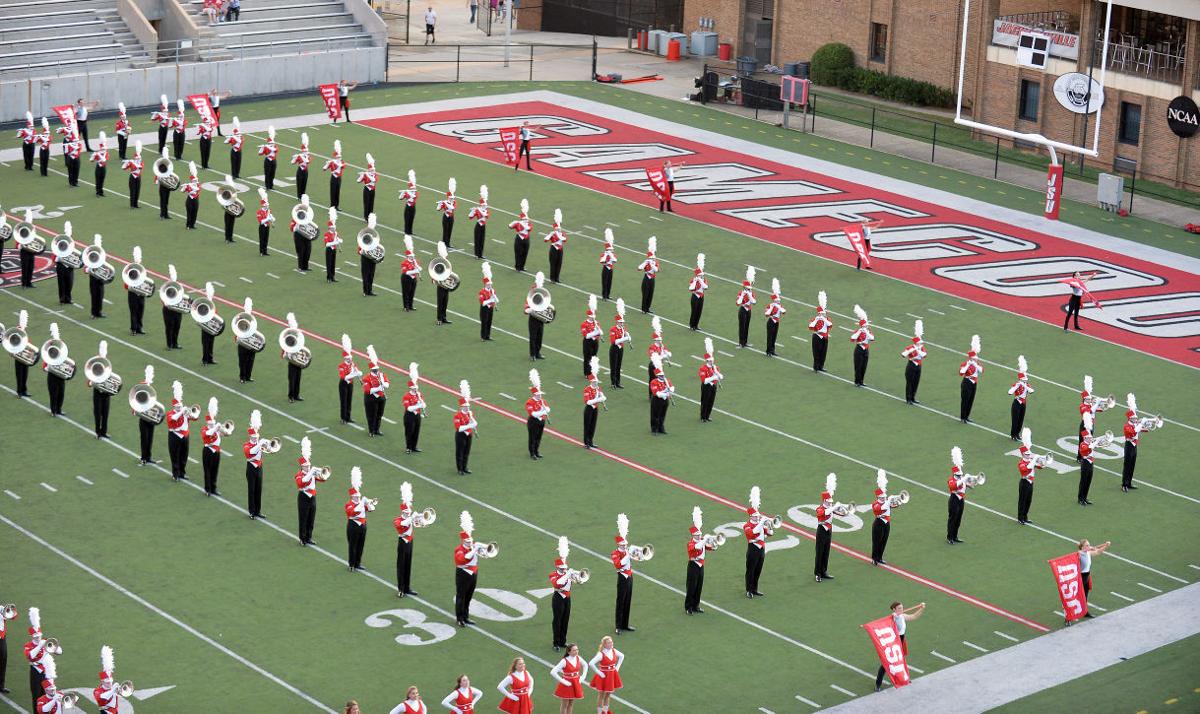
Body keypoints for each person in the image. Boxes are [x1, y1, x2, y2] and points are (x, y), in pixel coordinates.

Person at [874, 602, 925, 691]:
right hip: (894, 642)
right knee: (886, 664)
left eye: (902, 608)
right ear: (894, 609)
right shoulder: (893, 618)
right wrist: (895, 616)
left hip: (901, 640)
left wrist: (922, 608)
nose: (901, 609)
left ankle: (904, 678)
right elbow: (892, 621)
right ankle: (877, 684)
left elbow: (914, 616)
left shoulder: (902, 616)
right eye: (899, 608)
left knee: (900, 660)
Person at [684, 506, 715, 614]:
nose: (699, 536)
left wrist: (713, 542)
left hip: (701, 565)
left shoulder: (701, 541)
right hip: (693, 565)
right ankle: (688, 607)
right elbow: (697, 547)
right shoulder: (691, 543)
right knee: (691, 586)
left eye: (700, 535)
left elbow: (711, 548)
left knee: (699, 586)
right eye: (698, 535)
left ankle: (696, 605)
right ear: (693, 535)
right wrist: (704, 539)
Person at [295, 437, 325, 546]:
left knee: (311, 518)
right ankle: (302, 539)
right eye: (306, 466)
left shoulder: (312, 473)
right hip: (303, 497)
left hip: (312, 497)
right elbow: (302, 482)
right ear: (302, 466)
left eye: (309, 466)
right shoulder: (299, 475)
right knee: (303, 518)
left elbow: (323, 479)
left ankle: (309, 537)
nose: (308, 467)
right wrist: (311, 472)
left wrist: (322, 473)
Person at [165, 380, 198, 481]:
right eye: (178, 406)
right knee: (175, 455)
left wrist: (189, 413)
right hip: (174, 436)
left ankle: (182, 473)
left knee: (184, 455)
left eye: (180, 406)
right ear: (174, 406)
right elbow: (173, 419)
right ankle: (175, 474)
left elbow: (195, 418)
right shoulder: (171, 413)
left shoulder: (184, 412)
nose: (180, 407)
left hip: (185, 436)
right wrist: (182, 412)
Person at [743, 487, 772, 598]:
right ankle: (748, 590)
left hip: (761, 548)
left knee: (758, 569)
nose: (757, 518)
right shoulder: (747, 525)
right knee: (750, 570)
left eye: (758, 516)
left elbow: (770, 533)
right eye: (755, 517)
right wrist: (762, 522)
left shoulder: (760, 523)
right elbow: (752, 533)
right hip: (753, 549)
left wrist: (769, 525)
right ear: (751, 516)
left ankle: (755, 588)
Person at [454, 511, 481, 624]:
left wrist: (481, 548)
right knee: (461, 596)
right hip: (463, 574)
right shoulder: (459, 549)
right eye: (468, 541)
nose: (470, 543)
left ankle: (466, 616)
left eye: (471, 541)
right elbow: (463, 559)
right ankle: (460, 618)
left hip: (473, 573)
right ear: (463, 541)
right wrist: (474, 549)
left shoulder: (472, 547)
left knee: (469, 596)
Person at [1122, 393, 1153, 493]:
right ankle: (1124, 484)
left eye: (1136, 418)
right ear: (1130, 419)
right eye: (1134, 419)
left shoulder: (1136, 424)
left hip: (1135, 445)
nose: (1136, 419)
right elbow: (1133, 432)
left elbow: (1145, 430)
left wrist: (1149, 424)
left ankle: (1129, 482)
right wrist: (1141, 423)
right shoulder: (1127, 426)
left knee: (1132, 464)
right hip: (1129, 445)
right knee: (1127, 465)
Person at [345, 467, 374, 570]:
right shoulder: (349, 504)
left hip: (362, 525)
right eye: (356, 497)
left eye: (359, 496)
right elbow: (353, 512)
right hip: (353, 526)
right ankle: (351, 564)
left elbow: (371, 509)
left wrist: (368, 503)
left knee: (360, 545)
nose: (358, 498)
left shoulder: (361, 503)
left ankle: (357, 563)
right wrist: (362, 502)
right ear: (352, 497)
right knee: (352, 546)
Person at [394, 483, 421, 596]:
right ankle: (401, 589)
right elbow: (403, 525)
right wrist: (412, 517)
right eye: (406, 513)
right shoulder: (398, 520)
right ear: (403, 512)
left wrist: (420, 519)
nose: (407, 514)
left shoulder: (409, 518)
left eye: (408, 512)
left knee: (408, 565)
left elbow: (418, 523)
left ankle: (407, 588)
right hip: (403, 543)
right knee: (401, 566)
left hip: (410, 542)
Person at [549, 537, 576, 651]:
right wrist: (567, 574)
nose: (565, 570)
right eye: (562, 568)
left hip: (567, 598)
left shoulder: (567, 573)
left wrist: (576, 577)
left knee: (565, 619)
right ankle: (556, 642)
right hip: (558, 598)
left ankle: (562, 641)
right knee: (557, 620)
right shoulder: (553, 575)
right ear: (557, 567)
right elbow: (558, 584)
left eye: (565, 568)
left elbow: (576, 581)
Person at [610, 515, 636, 632]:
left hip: (630, 576)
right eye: (623, 545)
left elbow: (636, 557)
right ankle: (618, 626)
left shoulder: (627, 551)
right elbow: (618, 564)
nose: (625, 546)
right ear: (618, 545)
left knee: (628, 600)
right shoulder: (615, 553)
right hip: (622, 577)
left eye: (625, 544)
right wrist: (628, 555)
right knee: (620, 601)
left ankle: (625, 624)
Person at [1016, 428, 1045, 524]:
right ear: (1023, 454)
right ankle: (1020, 518)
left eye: (1029, 454)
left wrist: (1041, 463)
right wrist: (1035, 458)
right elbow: (1027, 469)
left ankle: (1025, 516)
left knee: (1028, 500)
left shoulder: (1029, 461)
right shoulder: (1021, 463)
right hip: (1024, 482)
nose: (1029, 455)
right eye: (1027, 454)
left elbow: (1039, 467)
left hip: (1030, 482)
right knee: (1022, 501)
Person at [870, 470, 899, 566]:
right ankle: (874, 558)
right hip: (878, 523)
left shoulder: (886, 502)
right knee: (876, 541)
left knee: (884, 540)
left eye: (884, 497)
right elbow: (881, 509)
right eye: (882, 497)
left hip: (887, 523)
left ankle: (880, 557)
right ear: (878, 497)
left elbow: (893, 506)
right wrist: (889, 500)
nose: (884, 498)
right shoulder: (875, 504)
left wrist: (897, 501)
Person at [587, 636, 623, 713]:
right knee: (601, 695)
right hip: (604, 676)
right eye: (609, 642)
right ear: (604, 644)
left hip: (612, 675)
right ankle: (599, 712)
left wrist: (617, 668)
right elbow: (591, 663)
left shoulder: (613, 651)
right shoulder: (601, 654)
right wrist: (599, 673)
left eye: (611, 642)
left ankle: (605, 711)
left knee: (608, 695)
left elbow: (622, 656)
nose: (611, 643)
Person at [1077, 539, 1111, 618]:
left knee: (1085, 595)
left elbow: (1098, 552)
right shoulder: (1079, 554)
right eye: (1087, 545)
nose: (1089, 546)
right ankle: (1067, 617)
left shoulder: (1088, 553)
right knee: (1075, 597)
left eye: (1089, 545)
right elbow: (1077, 554)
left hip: (1087, 576)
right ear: (1082, 547)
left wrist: (1106, 546)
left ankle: (1085, 612)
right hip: (1080, 577)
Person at [243, 410, 267, 520]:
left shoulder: (259, 443)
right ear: (250, 436)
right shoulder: (247, 445)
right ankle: (252, 512)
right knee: (251, 490)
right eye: (254, 437)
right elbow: (250, 453)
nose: (255, 438)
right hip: (251, 468)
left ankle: (258, 511)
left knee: (259, 489)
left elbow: (268, 450)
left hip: (259, 467)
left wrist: (267, 445)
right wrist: (260, 444)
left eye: (256, 436)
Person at [42, 323, 70, 417]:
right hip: (52, 373)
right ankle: (53, 410)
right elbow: (45, 359)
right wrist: (46, 367)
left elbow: (66, 357)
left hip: (61, 372)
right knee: (53, 393)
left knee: (61, 393)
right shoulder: (49, 345)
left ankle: (59, 409)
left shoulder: (62, 345)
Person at [362, 346, 389, 437]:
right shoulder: (366, 378)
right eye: (375, 369)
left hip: (381, 397)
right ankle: (371, 431)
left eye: (377, 369)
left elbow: (387, 384)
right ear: (372, 369)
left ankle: (377, 429)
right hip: (371, 399)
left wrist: (383, 384)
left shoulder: (381, 375)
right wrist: (379, 388)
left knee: (379, 414)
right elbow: (368, 390)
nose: (377, 370)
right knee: (371, 415)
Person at [552, 644, 588, 713]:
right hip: (567, 684)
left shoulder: (578, 658)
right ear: (569, 652)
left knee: (571, 703)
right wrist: (563, 681)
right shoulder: (564, 661)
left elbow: (585, 665)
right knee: (564, 704)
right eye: (574, 650)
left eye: (577, 650)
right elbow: (553, 672)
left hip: (575, 682)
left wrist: (583, 676)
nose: (576, 651)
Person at [814, 474, 837, 582]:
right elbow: (823, 513)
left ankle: (824, 571)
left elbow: (840, 513)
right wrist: (834, 507)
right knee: (819, 552)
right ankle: (817, 573)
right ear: (824, 501)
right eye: (828, 502)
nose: (830, 503)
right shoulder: (820, 508)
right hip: (822, 530)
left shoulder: (831, 508)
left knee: (826, 551)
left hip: (829, 530)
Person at [946, 447, 971, 544]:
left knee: (958, 518)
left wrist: (975, 480)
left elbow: (968, 486)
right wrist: (964, 478)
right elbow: (954, 486)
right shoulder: (951, 480)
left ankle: (955, 536)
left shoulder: (962, 478)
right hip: (954, 500)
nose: (960, 476)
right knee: (952, 518)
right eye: (958, 475)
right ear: (955, 474)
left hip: (961, 500)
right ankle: (950, 537)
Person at [135, 366, 159, 465]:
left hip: (151, 416)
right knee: (144, 438)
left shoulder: (151, 388)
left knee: (150, 437)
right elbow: (136, 399)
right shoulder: (142, 387)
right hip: (144, 417)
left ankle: (148, 457)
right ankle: (143, 457)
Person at [453, 381, 478, 475]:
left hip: (469, 434)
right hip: (461, 435)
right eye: (466, 407)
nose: (467, 408)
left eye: (468, 406)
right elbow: (459, 428)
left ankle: (465, 467)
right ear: (462, 407)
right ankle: (459, 469)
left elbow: (474, 423)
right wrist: (470, 425)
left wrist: (472, 421)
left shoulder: (470, 414)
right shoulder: (457, 416)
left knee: (467, 452)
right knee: (460, 452)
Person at [200, 397, 224, 496]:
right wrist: (215, 428)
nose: (211, 425)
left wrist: (222, 429)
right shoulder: (205, 429)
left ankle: (213, 488)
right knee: (208, 470)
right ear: (207, 423)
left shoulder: (215, 428)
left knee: (215, 470)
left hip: (217, 451)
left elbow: (224, 434)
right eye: (210, 423)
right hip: (208, 450)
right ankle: (207, 489)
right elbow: (208, 434)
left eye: (212, 423)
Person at [524, 272, 549, 360]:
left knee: (539, 336)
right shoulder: (532, 292)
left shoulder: (543, 291)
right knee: (533, 337)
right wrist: (530, 309)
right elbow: (526, 306)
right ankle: (532, 354)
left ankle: (537, 353)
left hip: (540, 317)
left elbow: (546, 302)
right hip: (533, 317)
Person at [958, 335, 983, 423]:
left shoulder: (977, 363)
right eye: (974, 358)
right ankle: (962, 417)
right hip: (967, 382)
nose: (976, 359)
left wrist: (975, 364)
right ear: (970, 358)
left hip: (974, 383)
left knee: (971, 400)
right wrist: (968, 364)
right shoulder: (965, 364)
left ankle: (967, 416)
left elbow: (981, 370)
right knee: (965, 400)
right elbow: (961, 372)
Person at [337, 335, 361, 424]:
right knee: (343, 401)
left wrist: (358, 373)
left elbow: (358, 371)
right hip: (343, 384)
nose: (350, 359)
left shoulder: (352, 364)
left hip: (350, 384)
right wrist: (354, 374)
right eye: (349, 358)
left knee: (349, 400)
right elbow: (343, 377)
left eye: (350, 358)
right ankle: (343, 418)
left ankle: (348, 417)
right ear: (345, 358)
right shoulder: (341, 366)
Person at [282, 313, 306, 403]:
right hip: (292, 360)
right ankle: (291, 396)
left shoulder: (299, 335)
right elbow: (285, 346)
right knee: (292, 379)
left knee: (298, 378)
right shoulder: (288, 336)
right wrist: (286, 353)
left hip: (298, 358)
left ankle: (296, 395)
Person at [697, 339, 723, 422]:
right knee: (705, 401)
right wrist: (713, 377)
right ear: (707, 360)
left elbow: (721, 377)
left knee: (711, 401)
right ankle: (702, 416)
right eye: (710, 361)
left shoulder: (715, 367)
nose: (712, 362)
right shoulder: (703, 368)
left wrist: (716, 373)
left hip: (713, 386)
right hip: (706, 386)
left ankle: (707, 416)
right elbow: (704, 380)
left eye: (712, 360)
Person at [900, 320, 925, 405]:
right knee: (910, 382)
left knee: (916, 382)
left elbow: (924, 355)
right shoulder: (910, 347)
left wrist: (918, 350)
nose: (921, 344)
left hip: (918, 365)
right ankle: (908, 399)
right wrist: (911, 350)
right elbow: (903, 355)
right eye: (919, 343)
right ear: (916, 343)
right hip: (911, 365)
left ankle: (913, 397)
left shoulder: (921, 348)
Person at [582, 358, 605, 449]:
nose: (596, 383)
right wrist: (597, 399)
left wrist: (602, 398)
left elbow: (603, 397)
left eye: (596, 382)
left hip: (595, 408)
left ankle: (591, 441)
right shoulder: (587, 389)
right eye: (594, 382)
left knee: (593, 425)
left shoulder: (598, 388)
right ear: (591, 381)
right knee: (587, 425)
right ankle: (586, 442)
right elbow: (587, 401)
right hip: (589, 409)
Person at [526, 371, 551, 454]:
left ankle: (536, 451)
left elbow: (548, 409)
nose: (540, 395)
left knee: (538, 437)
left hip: (541, 421)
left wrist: (545, 410)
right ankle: (532, 453)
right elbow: (533, 414)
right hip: (533, 422)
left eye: (540, 394)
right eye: (538, 394)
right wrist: (543, 411)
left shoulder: (542, 401)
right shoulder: (529, 402)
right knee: (532, 438)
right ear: (534, 394)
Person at [9, 310, 33, 398]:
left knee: (25, 374)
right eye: (25, 320)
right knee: (20, 375)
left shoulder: (24, 330)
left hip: (25, 356)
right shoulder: (17, 331)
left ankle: (24, 390)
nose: (26, 322)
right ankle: (19, 391)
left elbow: (27, 342)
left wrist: (30, 352)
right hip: (19, 357)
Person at [402, 364, 426, 453]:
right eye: (414, 388)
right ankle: (408, 447)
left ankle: (414, 446)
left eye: (416, 388)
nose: (416, 389)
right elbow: (409, 408)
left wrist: (422, 404)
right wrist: (419, 406)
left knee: (416, 431)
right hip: (409, 416)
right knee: (409, 432)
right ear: (411, 388)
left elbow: (424, 404)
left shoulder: (419, 395)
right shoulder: (406, 396)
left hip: (417, 415)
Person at [235, 297, 259, 383]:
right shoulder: (240, 317)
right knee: (242, 360)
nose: (249, 307)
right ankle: (242, 377)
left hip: (251, 342)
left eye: (250, 306)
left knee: (250, 359)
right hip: (242, 341)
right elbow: (236, 328)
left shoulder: (253, 318)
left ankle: (248, 376)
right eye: (248, 306)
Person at [93, 645, 123, 713]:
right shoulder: (97, 691)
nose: (110, 683)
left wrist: (120, 690)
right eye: (107, 682)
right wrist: (113, 690)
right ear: (102, 682)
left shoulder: (113, 687)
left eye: (110, 681)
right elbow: (102, 698)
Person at [52, 222, 76, 305]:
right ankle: (62, 299)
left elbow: (74, 254)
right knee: (61, 283)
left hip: (69, 266)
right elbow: (55, 252)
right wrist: (58, 258)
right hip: (61, 265)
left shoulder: (72, 242)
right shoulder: (60, 241)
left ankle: (68, 298)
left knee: (70, 283)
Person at [850, 304, 874, 386]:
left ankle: (861, 381)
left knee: (864, 366)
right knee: (858, 366)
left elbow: (872, 338)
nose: (867, 326)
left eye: (867, 325)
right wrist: (860, 331)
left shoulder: (868, 331)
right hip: (859, 349)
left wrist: (866, 332)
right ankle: (857, 381)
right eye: (865, 325)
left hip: (866, 349)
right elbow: (852, 338)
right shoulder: (858, 331)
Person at [161, 264, 184, 350]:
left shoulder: (179, 286)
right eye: (172, 274)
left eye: (174, 273)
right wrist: (166, 303)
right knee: (169, 327)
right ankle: (169, 344)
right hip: (168, 310)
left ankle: (175, 343)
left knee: (177, 326)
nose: (173, 275)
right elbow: (162, 296)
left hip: (177, 309)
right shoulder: (166, 286)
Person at [648, 354, 673, 435]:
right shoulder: (654, 382)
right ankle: (654, 429)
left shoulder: (667, 381)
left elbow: (672, 388)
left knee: (662, 414)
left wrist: (670, 390)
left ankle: (661, 428)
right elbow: (657, 393)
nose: (662, 376)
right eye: (661, 375)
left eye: (662, 375)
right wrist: (666, 391)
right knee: (655, 415)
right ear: (657, 375)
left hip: (665, 400)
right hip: (657, 400)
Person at [608, 299, 629, 389]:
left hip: (621, 348)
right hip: (614, 348)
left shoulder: (623, 329)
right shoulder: (613, 329)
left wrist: (628, 336)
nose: (621, 324)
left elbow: (626, 336)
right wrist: (624, 338)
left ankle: (618, 382)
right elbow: (614, 341)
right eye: (620, 322)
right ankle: (613, 383)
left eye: (622, 322)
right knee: (614, 366)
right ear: (617, 322)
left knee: (619, 365)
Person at [579, 295, 601, 378]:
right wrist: (595, 332)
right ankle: (587, 373)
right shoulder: (584, 324)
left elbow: (600, 333)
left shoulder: (596, 323)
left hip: (595, 341)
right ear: (588, 316)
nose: (592, 318)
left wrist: (598, 331)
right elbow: (586, 335)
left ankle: (593, 370)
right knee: (587, 357)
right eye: (591, 317)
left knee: (594, 356)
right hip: (587, 342)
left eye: (593, 317)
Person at [292, 195, 315, 271]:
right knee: (300, 251)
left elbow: (311, 225)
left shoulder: (309, 214)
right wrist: (297, 224)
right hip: (299, 234)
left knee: (308, 251)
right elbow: (292, 227)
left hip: (307, 233)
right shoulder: (297, 214)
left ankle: (306, 266)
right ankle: (300, 266)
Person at [763, 278, 786, 356]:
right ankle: (768, 351)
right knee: (770, 337)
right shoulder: (770, 305)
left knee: (774, 337)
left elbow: (784, 312)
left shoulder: (779, 306)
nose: (779, 301)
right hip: (771, 321)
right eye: (777, 300)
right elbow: (766, 314)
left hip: (777, 322)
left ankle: (772, 350)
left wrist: (778, 306)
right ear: (774, 300)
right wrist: (773, 307)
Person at [735, 266, 756, 347]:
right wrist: (743, 295)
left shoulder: (751, 293)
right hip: (743, 310)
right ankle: (741, 342)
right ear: (744, 288)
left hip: (749, 310)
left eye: (749, 289)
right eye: (748, 288)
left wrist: (749, 295)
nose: (749, 290)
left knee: (747, 326)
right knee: (742, 326)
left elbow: (754, 302)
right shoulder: (741, 293)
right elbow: (738, 303)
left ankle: (745, 342)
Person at [636, 237, 659, 313]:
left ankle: (648, 308)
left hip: (652, 279)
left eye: (653, 258)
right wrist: (645, 263)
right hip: (646, 278)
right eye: (652, 258)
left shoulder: (655, 263)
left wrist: (652, 264)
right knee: (645, 294)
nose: (653, 259)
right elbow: (639, 268)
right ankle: (643, 309)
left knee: (650, 294)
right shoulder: (646, 262)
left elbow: (657, 270)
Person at [509, 199, 532, 272]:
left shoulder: (528, 224)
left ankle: (522, 266)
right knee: (518, 253)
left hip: (526, 239)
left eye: (526, 219)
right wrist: (513, 223)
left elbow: (529, 229)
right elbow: (509, 227)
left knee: (525, 253)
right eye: (525, 219)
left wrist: (522, 223)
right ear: (522, 218)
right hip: (519, 239)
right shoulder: (518, 223)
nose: (526, 220)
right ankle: (517, 267)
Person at [544, 209, 567, 283]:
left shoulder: (562, 234)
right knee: (553, 264)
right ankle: (552, 278)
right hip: (553, 249)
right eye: (558, 229)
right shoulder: (552, 234)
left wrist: (558, 234)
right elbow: (545, 240)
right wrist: (551, 234)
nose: (559, 230)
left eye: (559, 229)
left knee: (559, 263)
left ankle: (557, 278)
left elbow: (564, 240)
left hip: (560, 249)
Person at [433, 242, 453, 324]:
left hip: (446, 285)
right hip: (441, 285)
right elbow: (434, 273)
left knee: (445, 301)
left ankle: (444, 317)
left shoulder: (447, 263)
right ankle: (439, 319)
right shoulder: (438, 264)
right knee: (440, 302)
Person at [401, 236, 422, 311]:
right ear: (407, 256)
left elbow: (420, 269)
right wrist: (415, 271)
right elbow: (405, 272)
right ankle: (405, 306)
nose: (412, 257)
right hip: (406, 278)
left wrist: (416, 265)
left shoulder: (415, 261)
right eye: (411, 256)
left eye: (413, 256)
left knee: (412, 292)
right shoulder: (404, 262)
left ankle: (410, 305)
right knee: (406, 292)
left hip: (413, 278)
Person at [468, 184, 489, 258]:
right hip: (478, 226)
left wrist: (478, 210)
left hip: (483, 226)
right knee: (477, 240)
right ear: (481, 205)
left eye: (485, 205)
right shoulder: (477, 210)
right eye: (484, 205)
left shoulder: (486, 210)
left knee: (482, 240)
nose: (485, 206)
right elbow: (470, 217)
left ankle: (481, 254)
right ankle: (476, 254)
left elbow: (486, 216)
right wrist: (472, 211)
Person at [686, 253, 707, 329]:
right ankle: (692, 325)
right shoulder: (693, 280)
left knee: (699, 311)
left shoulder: (703, 279)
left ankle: (696, 325)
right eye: (700, 275)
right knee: (694, 311)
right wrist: (695, 281)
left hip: (701, 296)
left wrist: (700, 280)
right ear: (697, 275)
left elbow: (705, 287)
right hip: (695, 297)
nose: (702, 276)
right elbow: (690, 288)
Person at [478, 263, 498, 340]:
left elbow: (497, 300)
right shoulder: (481, 292)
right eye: (488, 284)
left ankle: (488, 336)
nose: (490, 285)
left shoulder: (492, 290)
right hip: (484, 309)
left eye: (490, 284)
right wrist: (491, 300)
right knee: (484, 322)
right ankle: (483, 336)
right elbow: (482, 303)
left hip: (491, 308)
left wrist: (495, 298)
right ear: (485, 284)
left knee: (489, 322)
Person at [325, 140, 346, 210]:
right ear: (336, 157)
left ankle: (336, 206)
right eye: (338, 157)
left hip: (339, 178)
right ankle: (332, 206)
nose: (339, 158)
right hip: (334, 177)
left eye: (340, 157)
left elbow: (344, 166)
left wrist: (340, 164)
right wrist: (327, 164)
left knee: (337, 192)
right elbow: (326, 169)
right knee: (333, 191)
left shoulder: (342, 162)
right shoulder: (332, 162)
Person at [122, 140, 144, 208]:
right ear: (135, 158)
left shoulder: (140, 162)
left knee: (137, 191)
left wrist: (133, 163)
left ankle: (136, 204)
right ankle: (132, 205)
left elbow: (140, 167)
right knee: (132, 191)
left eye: (139, 158)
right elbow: (123, 168)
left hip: (138, 177)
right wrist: (126, 162)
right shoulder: (131, 162)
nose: (139, 159)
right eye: (137, 158)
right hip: (132, 177)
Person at [324, 207, 342, 283]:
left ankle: (333, 276)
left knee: (333, 263)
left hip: (334, 249)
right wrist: (335, 242)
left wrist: (340, 240)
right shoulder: (327, 234)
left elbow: (338, 239)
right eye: (333, 227)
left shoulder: (335, 233)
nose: (334, 228)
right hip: (329, 250)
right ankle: (329, 278)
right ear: (330, 228)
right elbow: (327, 244)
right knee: (329, 264)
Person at [357, 153, 378, 219]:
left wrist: (367, 174)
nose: (373, 171)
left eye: (373, 170)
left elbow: (374, 180)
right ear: (369, 170)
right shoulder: (365, 175)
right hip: (366, 190)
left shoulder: (375, 175)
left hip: (372, 190)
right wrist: (361, 175)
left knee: (371, 203)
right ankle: (366, 216)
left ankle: (370, 215)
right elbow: (358, 181)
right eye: (372, 170)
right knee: (366, 203)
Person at [257, 125, 278, 189]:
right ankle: (267, 186)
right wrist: (262, 148)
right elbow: (260, 153)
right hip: (267, 161)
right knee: (267, 173)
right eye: (271, 143)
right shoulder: (265, 147)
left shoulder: (275, 147)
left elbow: (275, 150)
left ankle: (271, 185)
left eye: (273, 143)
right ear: (269, 143)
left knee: (272, 174)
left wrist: (267, 146)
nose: (272, 144)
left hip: (273, 161)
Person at [598, 229, 617, 301]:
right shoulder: (603, 254)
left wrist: (610, 254)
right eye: (611, 249)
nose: (612, 250)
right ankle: (604, 296)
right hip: (605, 269)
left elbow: (615, 260)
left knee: (609, 282)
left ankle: (608, 295)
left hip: (610, 269)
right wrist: (606, 254)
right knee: (604, 283)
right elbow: (602, 261)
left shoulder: (612, 254)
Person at [181, 163, 201, 229]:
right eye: (194, 180)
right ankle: (188, 225)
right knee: (189, 213)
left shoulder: (198, 185)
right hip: (189, 200)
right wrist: (184, 187)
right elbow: (182, 191)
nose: (196, 181)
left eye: (196, 180)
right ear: (192, 181)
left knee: (195, 212)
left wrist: (190, 190)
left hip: (196, 200)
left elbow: (197, 190)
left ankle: (192, 225)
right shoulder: (189, 185)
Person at [291, 132, 311, 198]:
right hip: (300, 170)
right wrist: (294, 157)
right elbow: (292, 162)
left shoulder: (308, 156)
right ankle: (299, 196)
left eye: (307, 151)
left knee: (304, 183)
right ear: (303, 151)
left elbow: (307, 161)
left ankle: (303, 195)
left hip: (305, 170)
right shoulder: (299, 156)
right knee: (299, 183)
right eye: (305, 151)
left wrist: (301, 156)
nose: (306, 152)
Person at [256, 188, 274, 256]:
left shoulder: (268, 211)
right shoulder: (259, 212)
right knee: (262, 239)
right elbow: (261, 221)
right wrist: (267, 218)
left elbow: (271, 217)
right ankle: (261, 251)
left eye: (267, 205)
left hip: (267, 226)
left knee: (266, 239)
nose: (267, 206)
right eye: (266, 205)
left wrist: (272, 219)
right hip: (262, 227)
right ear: (263, 205)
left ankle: (265, 251)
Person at [400, 169, 419, 234]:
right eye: (412, 188)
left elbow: (413, 198)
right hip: (408, 207)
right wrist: (403, 193)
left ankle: (410, 231)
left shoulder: (416, 193)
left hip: (413, 207)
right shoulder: (407, 192)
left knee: (411, 219)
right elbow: (400, 198)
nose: (413, 189)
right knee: (407, 219)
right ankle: (406, 232)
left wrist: (408, 193)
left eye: (414, 188)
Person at [91, 131, 109, 196]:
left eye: (104, 149)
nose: (104, 150)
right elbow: (91, 160)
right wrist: (93, 156)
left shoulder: (106, 154)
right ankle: (98, 192)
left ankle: (101, 192)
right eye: (103, 149)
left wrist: (99, 155)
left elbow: (104, 160)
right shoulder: (97, 154)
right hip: (98, 167)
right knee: (98, 180)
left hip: (103, 167)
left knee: (102, 180)